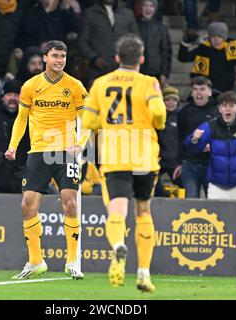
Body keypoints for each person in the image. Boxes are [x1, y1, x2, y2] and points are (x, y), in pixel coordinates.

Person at [82, 34, 166, 292]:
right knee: (143, 212)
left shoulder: (100, 83)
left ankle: (118, 245)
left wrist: (103, 123)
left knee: (117, 211)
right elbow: (159, 113)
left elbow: (89, 122)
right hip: (143, 155)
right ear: (141, 58)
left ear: (116, 57)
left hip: (115, 155)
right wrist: (158, 125)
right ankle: (143, 274)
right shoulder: (149, 83)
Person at [5, 40, 90, 280]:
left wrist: (80, 145)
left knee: (69, 202)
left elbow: (89, 120)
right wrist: (13, 146)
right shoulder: (31, 86)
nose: (60, 60)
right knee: (27, 205)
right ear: (45, 58)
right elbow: (21, 119)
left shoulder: (74, 86)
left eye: (63, 56)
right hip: (39, 151)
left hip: (66, 151)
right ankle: (35, 261)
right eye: (55, 56)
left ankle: (72, 261)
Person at [185, 91, 236, 200]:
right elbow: (191, 147)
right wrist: (194, 140)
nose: (227, 109)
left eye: (231, 106)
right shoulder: (211, 125)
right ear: (220, 109)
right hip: (217, 187)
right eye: (224, 106)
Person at [78, 0, 139, 86]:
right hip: (98, 71)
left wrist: (129, 61)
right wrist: (94, 58)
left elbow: (136, 40)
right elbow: (82, 42)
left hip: (124, 71)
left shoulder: (128, 13)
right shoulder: (90, 14)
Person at [176, 76, 218, 198]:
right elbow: (180, 138)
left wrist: (213, 146)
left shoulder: (217, 111)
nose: (198, 92)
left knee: (213, 200)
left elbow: (224, 136)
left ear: (209, 92)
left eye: (202, 89)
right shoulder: (184, 112)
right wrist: (179, 162)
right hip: (190, 163)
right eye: (195, 89)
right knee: (191, 199)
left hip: (212, 164)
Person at [155, 85, 182, 196]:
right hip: (159, 160)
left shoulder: (182, 117)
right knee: (152, 186)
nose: (171, 103)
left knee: (183, 187)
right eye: (167, 100)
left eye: (174, 100)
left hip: (175, 161)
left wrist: (181, 162)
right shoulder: (156, 116)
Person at [137, 0, 172, 87]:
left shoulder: (161, 28)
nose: (148, 9)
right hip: (138, 70)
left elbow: (166, 51)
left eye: (151, 6)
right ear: (141, 7)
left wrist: (164, 73)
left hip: (155, 72)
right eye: (145, 5)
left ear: (155, 9)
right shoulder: (135, 26)